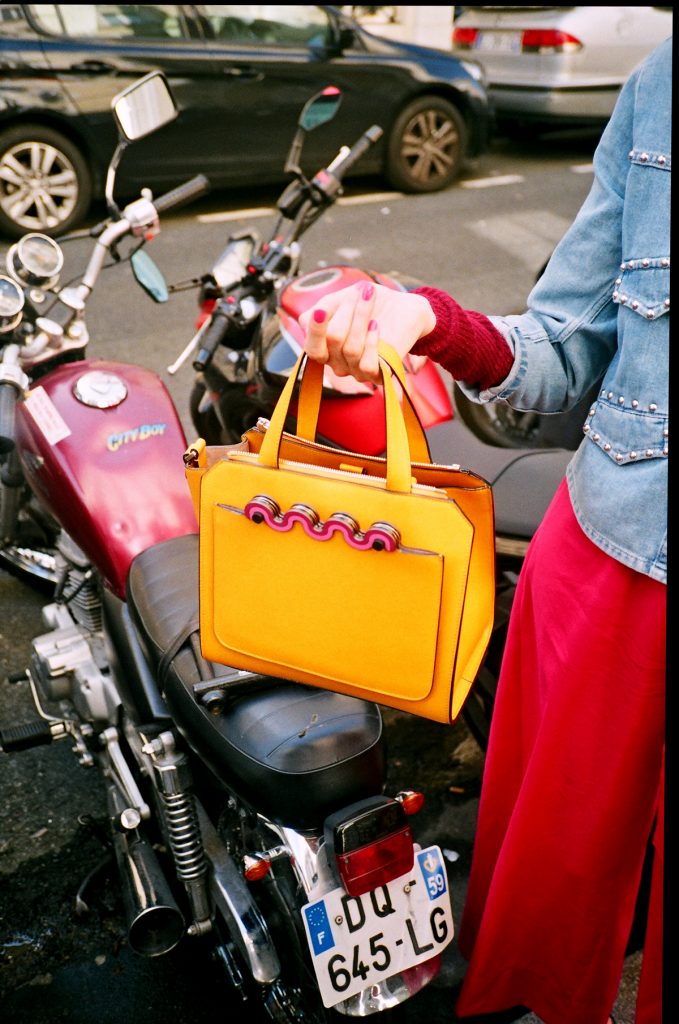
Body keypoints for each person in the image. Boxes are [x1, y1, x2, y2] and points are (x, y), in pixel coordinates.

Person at [298, 36, 670, 1024]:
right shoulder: (658, 87)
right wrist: (424, 319)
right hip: (614, 562)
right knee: (552, 906)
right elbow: (563, 348)